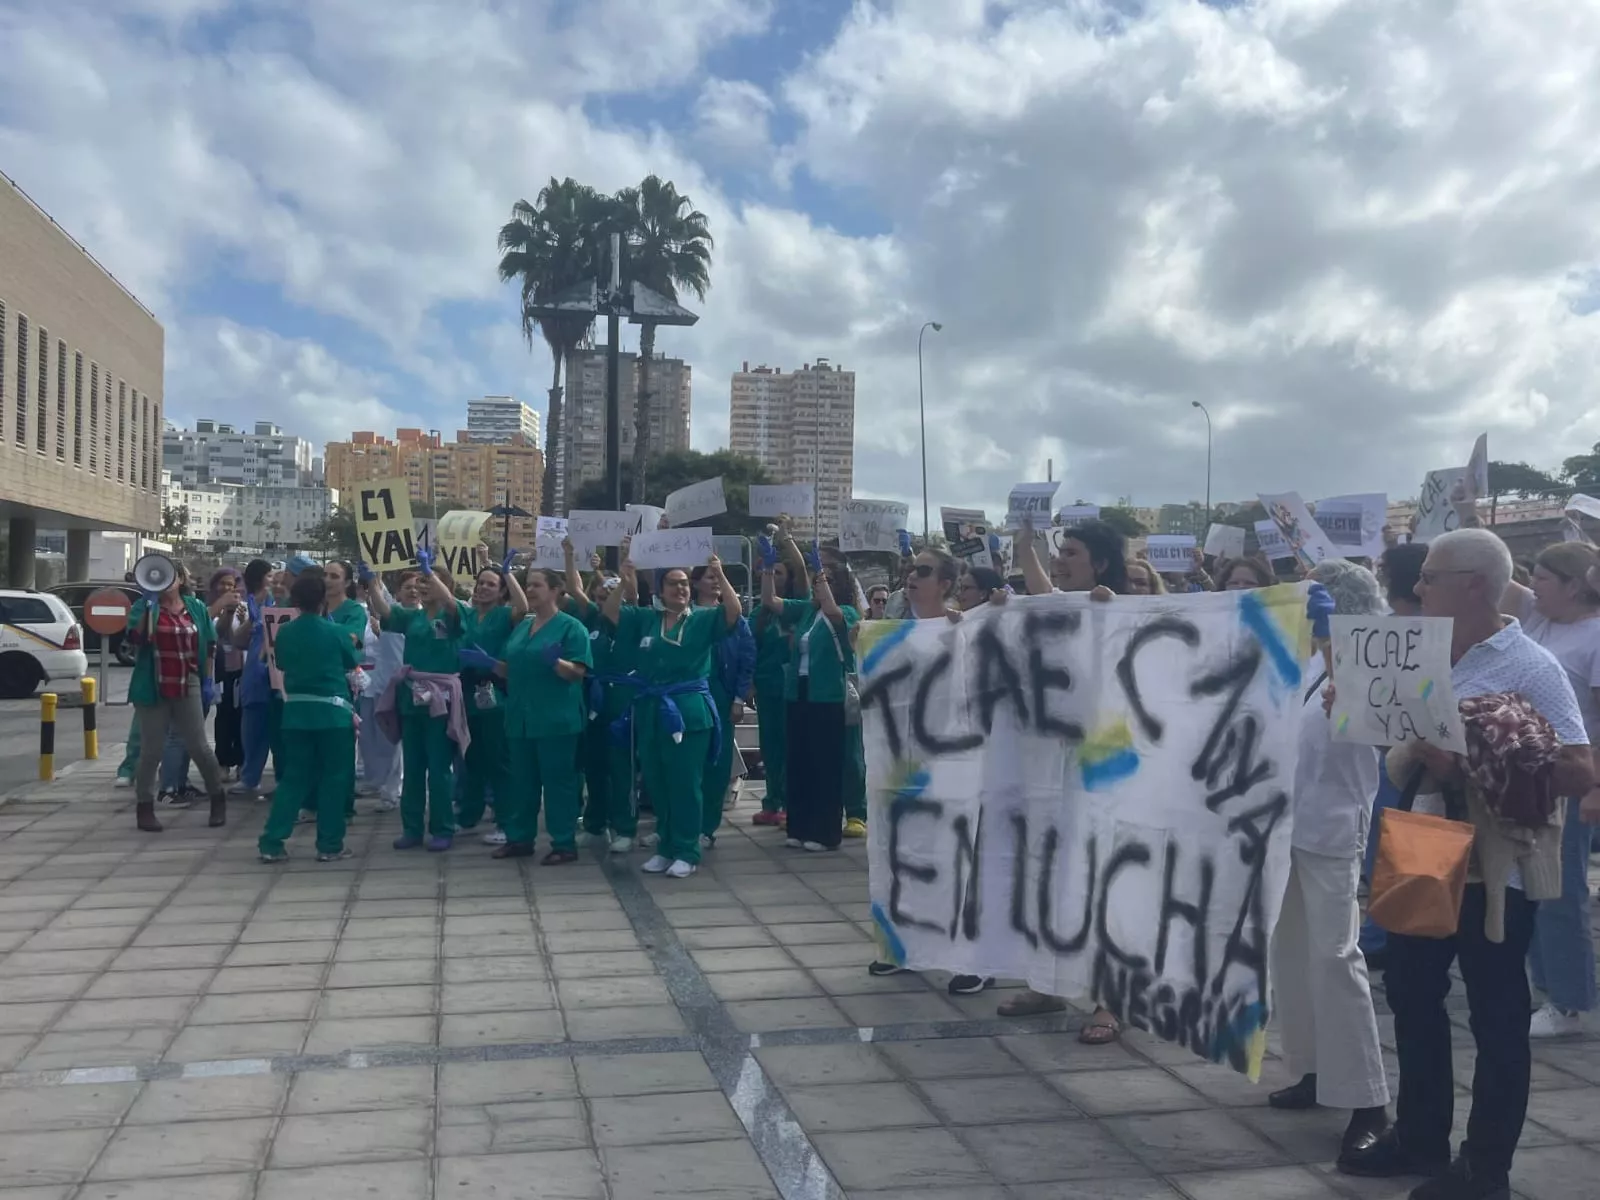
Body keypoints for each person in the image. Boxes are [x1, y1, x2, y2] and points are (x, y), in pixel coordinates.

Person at [1339, 528, 1595, 1199]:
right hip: (1421, 842)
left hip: (1494, 869)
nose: (1417, 587)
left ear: (1473, 583)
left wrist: (1474, 760)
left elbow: (1577, 769)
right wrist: (1358, 712)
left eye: (1430, 576)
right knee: (1413, 996)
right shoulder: (1413, 650)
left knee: (1496, 1013)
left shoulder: (1530, 665)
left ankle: (1487, 1170)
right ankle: (1422, 1137)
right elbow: (1394, 736)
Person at [1268, 560, 1391, 1166]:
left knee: (1337, 957)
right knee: (1289, 956)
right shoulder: (1300, 660)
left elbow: (1365, 717)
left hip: (1334, 823)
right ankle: (1315, 1069)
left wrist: (1330, 639)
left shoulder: (1366, 657)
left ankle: (1369, 1100)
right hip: (1282, 824)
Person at [1008, 517, 1124, 1040]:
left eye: (1071, 552)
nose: (1062, 559)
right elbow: (1041, 590)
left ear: (1100, 563)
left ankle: (1108, 1000)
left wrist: (1111, 619)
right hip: (1055, 765)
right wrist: (1023, 545)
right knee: (1048, 874)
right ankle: (1048, 981)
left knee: (1099, 884)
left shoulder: (1121, 610)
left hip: (1104, 772)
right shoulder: (1062, 605)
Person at [862, 546, 990, 997]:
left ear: (947, 584)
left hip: (955, 766)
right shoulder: (892, 633)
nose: (911, 577)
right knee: (903, 856)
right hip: (903, 767)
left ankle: (973, 958)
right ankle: (905, 947)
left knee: (957, 860)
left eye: (923, 571)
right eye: (909, 570)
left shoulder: (967, 631)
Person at [1501, 541, 1600, 1038]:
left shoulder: (1596, 636)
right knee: (1531, 886)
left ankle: (1573, 1002)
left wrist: (1594, 788)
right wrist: (1470, 516)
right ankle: (1548, 989)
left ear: (1575, 585)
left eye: (1542, 577)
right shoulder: (1539, 619)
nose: (1531, 585)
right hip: (1530, 774)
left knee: (1561, 893)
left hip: (1571, 778)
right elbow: (1495, 574)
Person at [602, 546, 742, 879]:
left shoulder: (704, 619)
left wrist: (720, 573)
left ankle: (687, 850)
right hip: (651, 708)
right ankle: (665, 848)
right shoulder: (647, 619)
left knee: (684, 782)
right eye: (672, 584)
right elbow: (611, 613)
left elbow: (734, 612)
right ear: (660, 591)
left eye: (683, 583)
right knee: (657, 781)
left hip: (688, 711)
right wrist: (623, 582)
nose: (680, 588)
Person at [467, 567, 592, 862]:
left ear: (555, 590)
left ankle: (563, 843)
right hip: (519, 717)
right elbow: (513, 668)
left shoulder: (571, 627)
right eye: (528, 585)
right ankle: (520, 838)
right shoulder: (523, 626)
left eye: (537, 585)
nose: (531, 590)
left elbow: (578, 673)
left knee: (558, 783)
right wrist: (491, 664)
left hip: (555, 719)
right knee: (521, 782)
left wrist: (557, 663)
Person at [760, 540, 859, 854]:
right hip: (799, 694)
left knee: (824, 765)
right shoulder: (804, 611)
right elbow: (770, 600)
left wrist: (818, 572)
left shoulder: (846, 612)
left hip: (827, 696)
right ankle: (799, 827)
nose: (817, 589)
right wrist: (766, 567)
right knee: (799, 761)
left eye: (824, 583)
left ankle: (825, 831)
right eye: (817, 583)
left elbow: (831, 610)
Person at [257, 571, 361, 863]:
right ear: (322, 600)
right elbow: (352, 662)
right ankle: (329, 845)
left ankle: (271, 842)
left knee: (293, 779)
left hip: (296, 714)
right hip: (333, 715)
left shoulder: (285, 632)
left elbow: (284, 662)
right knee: (334, 779)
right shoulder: (336, 632)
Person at [1360, 542, 1430, 967]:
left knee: (1396, 847)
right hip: (1383, 754)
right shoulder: (1382, 626)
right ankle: (1383, 928)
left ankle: (1388, 931)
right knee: (1382, 847)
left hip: (1413, 757)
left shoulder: (1431, 629)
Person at [370, 553, 468, 852]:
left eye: (429, 582)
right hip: (410, 699)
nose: (423, 587)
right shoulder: (412, 617)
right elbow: (386, 615)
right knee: (413, 767)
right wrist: (371, 583)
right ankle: (412, 828)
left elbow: (451, 604)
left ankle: (442, 828)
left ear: (444, 586)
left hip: (440, 701)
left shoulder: (453, 615)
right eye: (421, 582)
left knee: (438, 769)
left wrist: (432, 574)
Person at [124, 560, 229, 832]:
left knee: (198, 745)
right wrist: (149, 606)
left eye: (171, 576)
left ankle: (217, 797)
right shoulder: (143, 607)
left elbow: (209, 642)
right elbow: (138, 639)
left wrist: (207, 680)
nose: (164, 581)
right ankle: (144, 807)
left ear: (180, 580)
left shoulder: (194, 608)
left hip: (188, 680)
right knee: (151, 750)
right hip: (153, 684)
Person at [567, 543, 642, 852]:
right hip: (592, 700)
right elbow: (573, 587)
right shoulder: (592, 618)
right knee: (594, 766)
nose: (602, 601)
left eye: (608, 596)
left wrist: (627, 570)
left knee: (621, 768)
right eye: (599, 596)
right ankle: (595, 823)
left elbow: (633, 594)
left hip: (622, 700)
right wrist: (570, 554)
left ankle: (624, 828)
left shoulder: (635, 619)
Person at [455, 559, 528, 836]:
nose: (483, 588)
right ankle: (469, 815)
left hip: (495, 693)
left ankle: (507, 821)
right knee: (472, 758)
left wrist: (509, 575)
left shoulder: (504, 615)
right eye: (480, 583)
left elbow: (523, 609)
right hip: (468, 694)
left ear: (501, 592)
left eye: (491, 584)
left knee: (499, 760)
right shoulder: (468, 615)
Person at [692, 562, 756, 846]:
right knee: (684, 764)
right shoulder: (683, 616)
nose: (716, 581)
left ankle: (706, 826)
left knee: (716, 765)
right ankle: (677, 822)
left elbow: (747, 659)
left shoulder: (736, 621)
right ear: (695, 583)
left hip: (721, 695)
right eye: (710, 577)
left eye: (719, 577)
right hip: (687, 695)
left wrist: (739, 698)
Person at [751, 535, 805, 828]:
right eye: (769, 571)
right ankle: (771, 801)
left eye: (778, 571)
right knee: (769, 748)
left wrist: (788, 540)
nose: (772, 575)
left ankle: (787, 801)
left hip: (794, 691)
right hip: (768, 690)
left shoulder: (800, 607)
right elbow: (750, 652)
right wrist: (749, 684)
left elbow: (801, 569)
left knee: (789, 747)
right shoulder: (759, 616)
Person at [230, 559, 278, 802]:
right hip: (255, 676)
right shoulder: (246, 603)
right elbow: (236, 640)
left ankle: (283, 781)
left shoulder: (282, 602)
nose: (274, 582)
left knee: (280, 732)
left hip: (279, 674)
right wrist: (252, 619)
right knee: (252, 730)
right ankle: (250, 777)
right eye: (270, 576)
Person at [208, 568, 246, 780]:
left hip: (241, 670)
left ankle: (242, 761)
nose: (226, 588)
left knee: (241, 717)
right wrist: (227, 612)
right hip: (220, 670)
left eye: (231, 584)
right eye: (222, 583)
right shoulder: (210, 609)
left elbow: (238, 639)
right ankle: (223, 762)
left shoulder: (245, 609)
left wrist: (240, 618)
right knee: (223, 717)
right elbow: (218, 633)